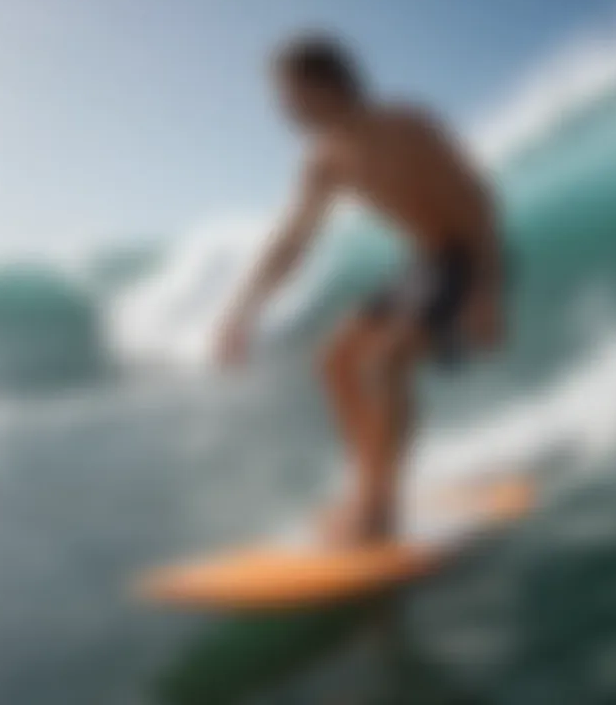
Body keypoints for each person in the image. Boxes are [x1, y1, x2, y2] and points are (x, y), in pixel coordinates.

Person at [214, 34, 505, 545]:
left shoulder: (407, 126)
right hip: (424, 263)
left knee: (387, 361)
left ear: (325, 85)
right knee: (334, 362)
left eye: (289, 94)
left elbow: (477, 200)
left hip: (465, 256)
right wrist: (242, 311)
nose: (282, 109)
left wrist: (486, 288)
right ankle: (369, 485)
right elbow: (292, 240)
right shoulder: (323, 161)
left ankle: (382, 507)